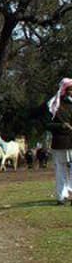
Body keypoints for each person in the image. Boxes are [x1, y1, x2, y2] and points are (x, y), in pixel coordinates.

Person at [47, 77, 72, 205]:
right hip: (60, 143)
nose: (71, 92)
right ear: (64, 90)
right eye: (69, 89)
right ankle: (61, 196)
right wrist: (61, 126)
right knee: (60, 170)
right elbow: (47, 125)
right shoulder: (55, 105)